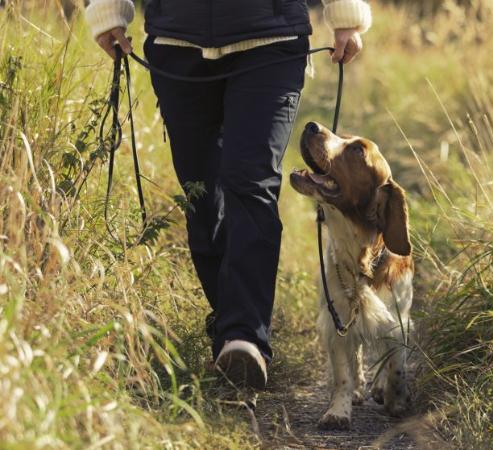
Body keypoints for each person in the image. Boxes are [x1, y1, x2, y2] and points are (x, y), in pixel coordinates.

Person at [84, 0, 372, 389]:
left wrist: (346, 16)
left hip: (271, 40)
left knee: (250, 181)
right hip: (176, 44)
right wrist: (107, 11)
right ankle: (230, 328)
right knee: (200, 195)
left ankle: (245, 338)